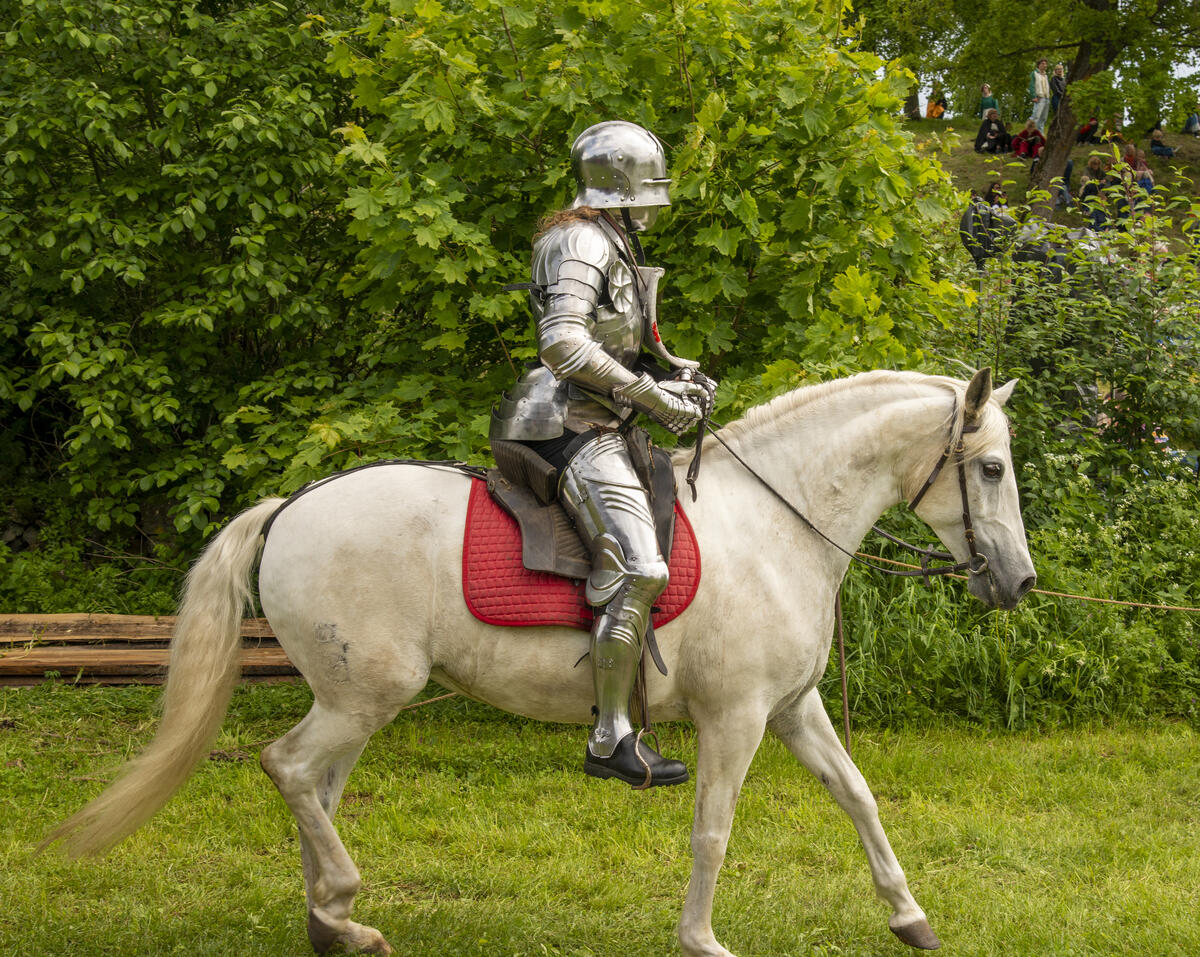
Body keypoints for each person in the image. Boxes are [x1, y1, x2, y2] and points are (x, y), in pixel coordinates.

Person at [489, 120, 716, 789]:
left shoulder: (613, 237)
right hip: (562, 421)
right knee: (642, 565)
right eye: (651, 184)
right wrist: (650, 394)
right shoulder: (581, 238)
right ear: (626, 184)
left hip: (600, 415)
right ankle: (611, 734)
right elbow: (561, 343)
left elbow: (619, 344)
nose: (655, 199)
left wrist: (677, 377)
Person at [1027, 58, 1051, 130]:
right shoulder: (1034, 73)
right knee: (1035, 116)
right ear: (1038, 65)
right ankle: (1028, 132)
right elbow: (1031, 85)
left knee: (1043, 118)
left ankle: (1040, 134)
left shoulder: (1045, 75)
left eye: (1045, 64)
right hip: (1039, 97)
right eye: (1043, 64)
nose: (1045, 65)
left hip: (1046, 98)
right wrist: (1033, 96)